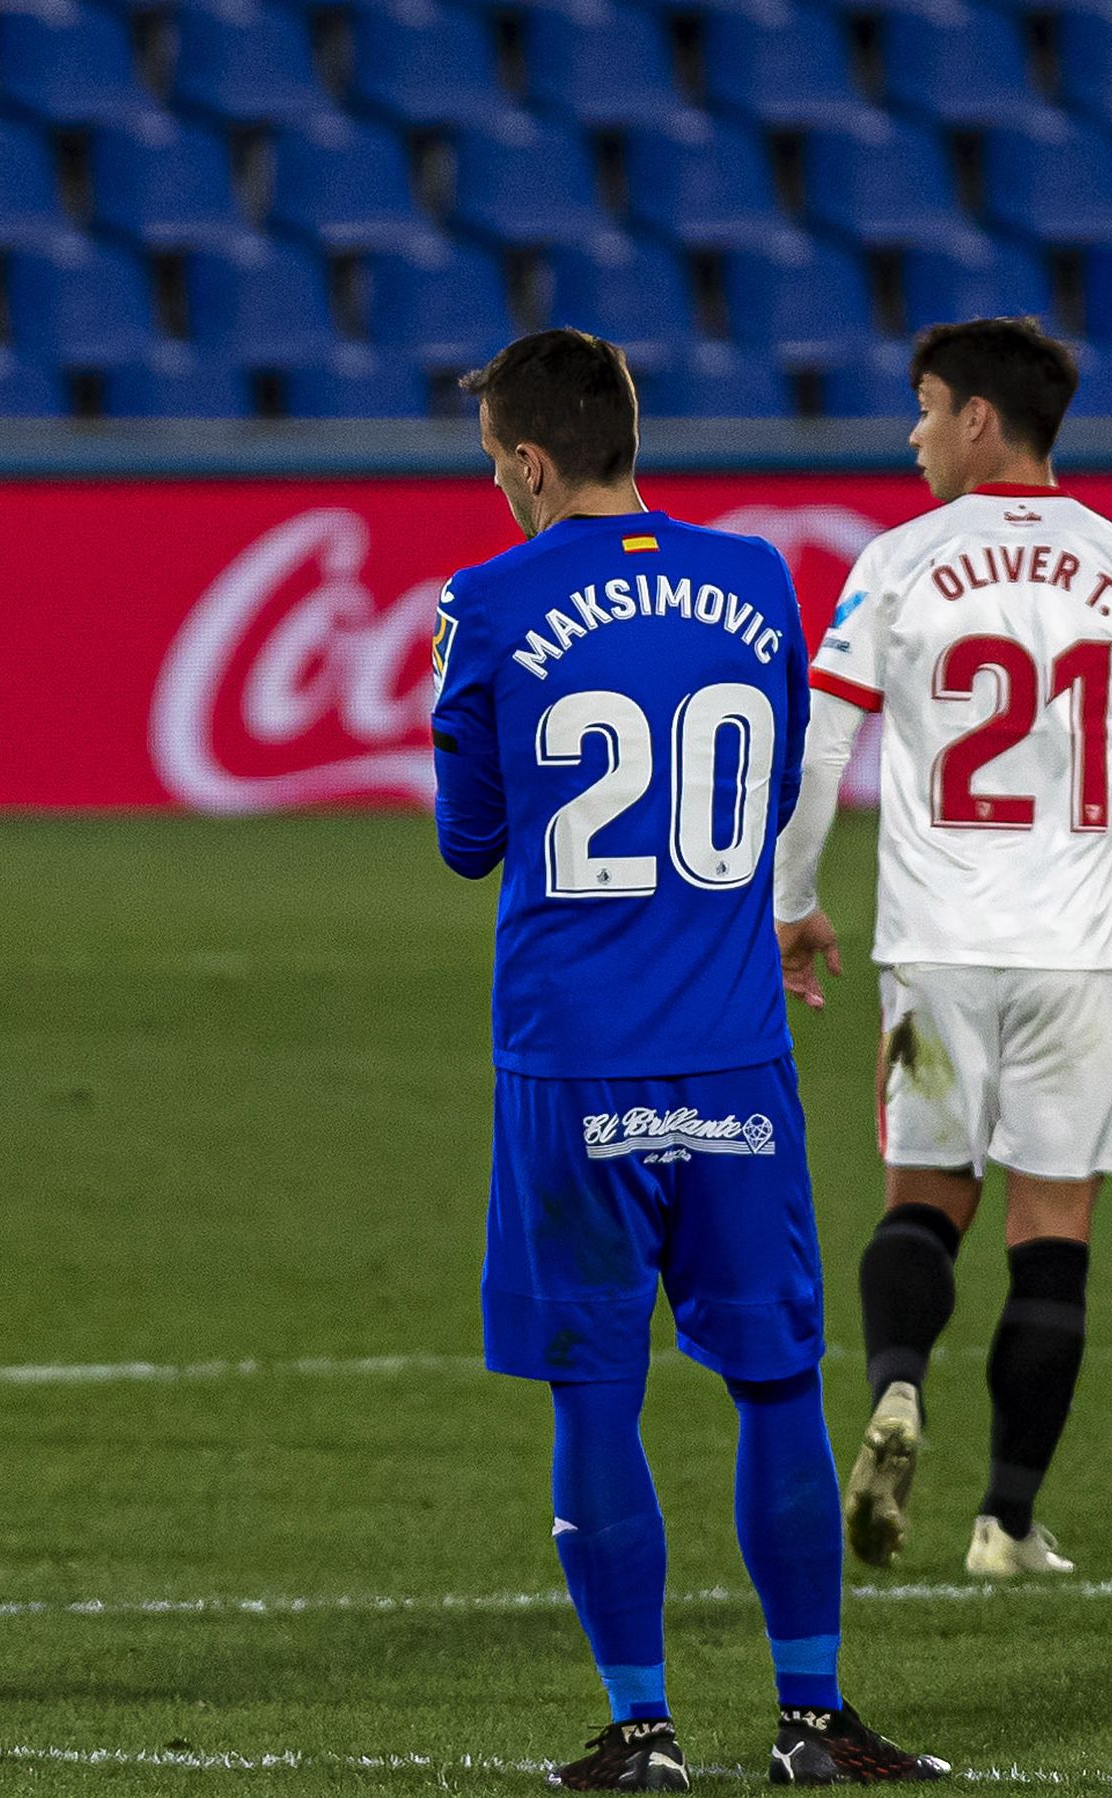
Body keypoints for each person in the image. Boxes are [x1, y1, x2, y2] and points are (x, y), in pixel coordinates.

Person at [431, 328, 948, 1788]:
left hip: (570, 1064)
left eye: (495, 465)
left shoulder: (485, 601)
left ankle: (643, 1729)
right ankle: (812, 1718)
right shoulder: (752, 579)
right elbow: (776, 772)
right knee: (777, 1378)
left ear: (529, 460)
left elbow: (472, 842)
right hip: (731, 1055)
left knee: (595, 1387)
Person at [773, 318, 1112, 1579]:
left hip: (935, 952)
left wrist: (792, 900)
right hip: (1080, 958)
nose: (911, 432)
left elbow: (821, 747)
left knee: (924, 1200)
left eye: (924, 406)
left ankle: (899, 1387)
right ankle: (1007, 1523)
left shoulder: (899, 561)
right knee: (1052, 1230)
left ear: (982, 419)